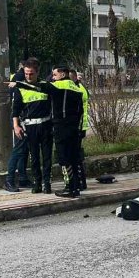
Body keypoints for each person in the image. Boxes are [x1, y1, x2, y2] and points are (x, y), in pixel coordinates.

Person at [10, 64, 85, 198]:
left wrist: (18, 85)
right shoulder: (77, 88)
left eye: (55, 75)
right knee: (73, 157)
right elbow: (81, 110)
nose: (52, 78)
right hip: (74, 127)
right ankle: (75, 186)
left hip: (61, 127)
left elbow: (40, 87)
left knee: (64, 158)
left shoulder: (60, 86)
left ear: (63, 74)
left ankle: (69, 187)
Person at [12, 59, 53, 194]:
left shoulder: (45, 85)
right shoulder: (20, 88)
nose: (28, 76)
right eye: (26, 73)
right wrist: (16, 126)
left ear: (37, 72)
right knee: (34, 157)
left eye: (31, 74)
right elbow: (16, 109)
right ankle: (37, 183)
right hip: (30, 126)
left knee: (47, 156)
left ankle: (47, 183)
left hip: (46, 124)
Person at [4, 59, 31, 192]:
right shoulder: (21, 78)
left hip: (23, 119)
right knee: (19, 150)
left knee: (23, 151)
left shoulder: (18, 78)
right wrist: (16, 123)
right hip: (21, 120)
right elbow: (17, 104)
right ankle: (9, 179)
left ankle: (22, 178)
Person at [70, 69, 89, 191]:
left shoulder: (76, 89)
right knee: (76, 155)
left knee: (75, 156)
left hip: (77, 126)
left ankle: (79, 182)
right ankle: (80, 182)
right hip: (80, 126)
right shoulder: (80, 86)